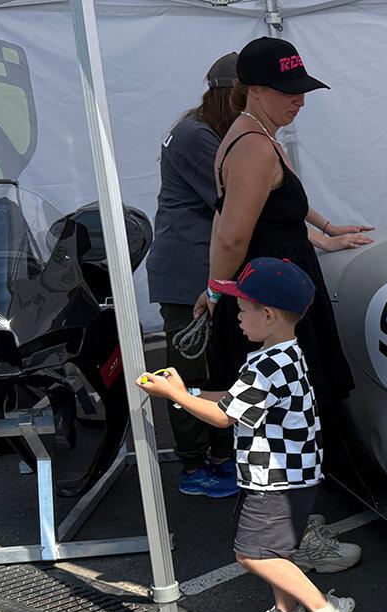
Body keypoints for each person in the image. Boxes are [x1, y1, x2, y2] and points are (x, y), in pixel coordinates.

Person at [201, 36, 368, 573]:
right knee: (286, 419)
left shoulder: (253, 133)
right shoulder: (253, 145)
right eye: (287, 90)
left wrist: (325, 233)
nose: (299, 99)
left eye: (302, 89)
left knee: (288, 414)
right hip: (270, 305)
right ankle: (294, 538)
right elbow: (231, 233)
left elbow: (274, 212)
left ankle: (291, 532)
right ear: (254, 89)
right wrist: (218, 291)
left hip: (272, 292)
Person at [138, 258, 356, 612]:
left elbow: (224, 417)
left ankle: (324, 609)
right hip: (295, 475)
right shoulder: (285, 354)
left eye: (242, 309)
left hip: (276, 480)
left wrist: (175, 396)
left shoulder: (265, 365)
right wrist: (188, 392)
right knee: (276, 551)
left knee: (252, 554)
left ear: (267, 315)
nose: (236, 317)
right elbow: (235, 402)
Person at [147, 52, 239, 499]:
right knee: (189, 369)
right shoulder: (197, 136)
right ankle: (194, 463)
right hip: (189, 271)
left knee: (217, 364)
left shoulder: (198, 129)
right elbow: (236, 201)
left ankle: (220, 455)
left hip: (198, 267)